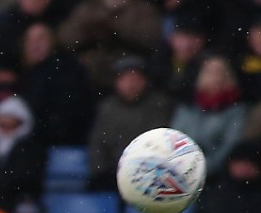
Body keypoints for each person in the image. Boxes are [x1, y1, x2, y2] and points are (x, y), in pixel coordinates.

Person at [87, 55, 174, 192]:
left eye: (135, 78)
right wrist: (102, 172)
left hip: (151, 176)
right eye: (125, 79)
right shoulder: (106, 108)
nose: (131, 84)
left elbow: (161, 143)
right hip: (112, 175)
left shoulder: (159, 106)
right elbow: (97, 145)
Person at [19, 21, 95, 147]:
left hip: (64, 144)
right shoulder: (22, 74)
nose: (34, 44)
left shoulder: (67, 70)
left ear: (52, 43)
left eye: (40, 39)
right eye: (29, 40)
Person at [170, 54, 246, 178]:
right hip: (180, 171)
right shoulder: (188, 106)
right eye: (210, 72)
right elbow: (174, 139)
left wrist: (200, 169)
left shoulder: (236, 111)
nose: (216, 78)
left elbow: (229, 147)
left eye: (220, 73)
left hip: (215, 176)